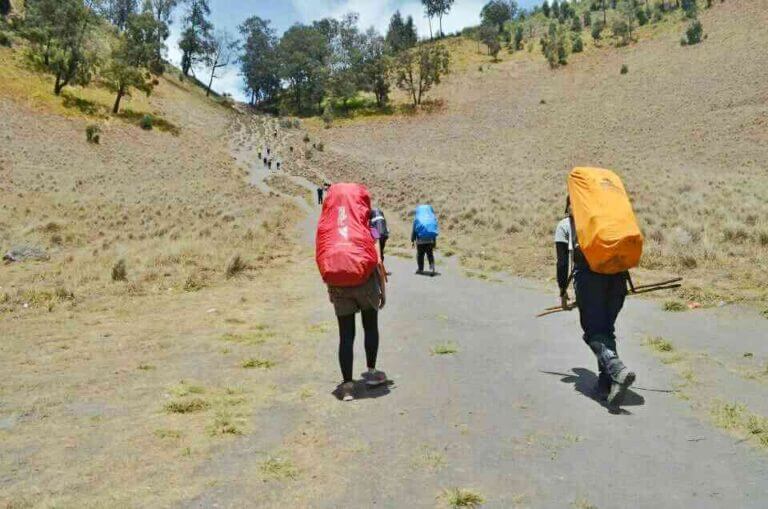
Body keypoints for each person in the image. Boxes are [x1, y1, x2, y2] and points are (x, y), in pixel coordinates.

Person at [556, 198, 636, 406]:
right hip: (618, 279)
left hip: (590, 281)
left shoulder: (566, 225)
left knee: (592, 331)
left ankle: (616, 368)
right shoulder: (607, 222)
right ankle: (606, 385)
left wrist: (563, 291)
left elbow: (563, 262)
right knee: (606, 330)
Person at [317, 184, 388, 402]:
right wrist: (383, 286)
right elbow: (377, 246)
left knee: (345, 335)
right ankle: (372, 373)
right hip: (365, 279)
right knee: (370, 326)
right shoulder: (369, 217)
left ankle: (347, 386)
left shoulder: (328, 219)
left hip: (338, 283)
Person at [411, 204, 438, 275]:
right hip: (430, 240)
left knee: (420, 255)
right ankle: (432, 268)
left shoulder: (417, 218)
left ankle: (420, 269)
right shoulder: (432, 218)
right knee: (430, 254)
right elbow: (434, 231)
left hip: (420, 240)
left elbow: (414, 231)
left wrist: (412, 240)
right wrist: (434, 242)